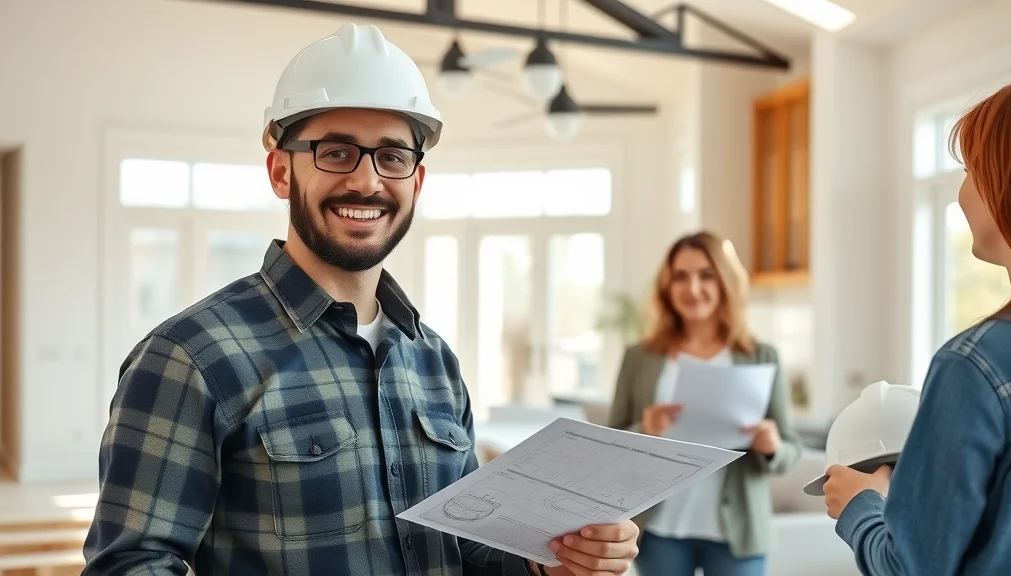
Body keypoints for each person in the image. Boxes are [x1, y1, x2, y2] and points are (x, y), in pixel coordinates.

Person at [82, 23, 639, 576]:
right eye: (337, 152)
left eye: (392, 157)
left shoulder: (434, 361)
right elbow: (129, 566)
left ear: (416, 182)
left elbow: (467, 547)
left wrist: (554, 562)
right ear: (281, 171)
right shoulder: (191, 358)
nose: (368, 182)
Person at [822, 83, 1011, 574]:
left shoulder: (977, 364)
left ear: (1004, 181)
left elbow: (908, 568)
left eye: (969, 171)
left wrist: (861, 504)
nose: (960, 196)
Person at [607, 231, 803, 576]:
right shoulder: (641, 358)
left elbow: (791, 450)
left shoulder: (761, 356)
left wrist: (771, 447)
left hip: (738, 530)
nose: (692, 288)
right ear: (667, 285)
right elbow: (609, 443)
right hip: (660, 527)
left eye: (705, 275)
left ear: (725, 281)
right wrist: (644, 429)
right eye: (681, 276)